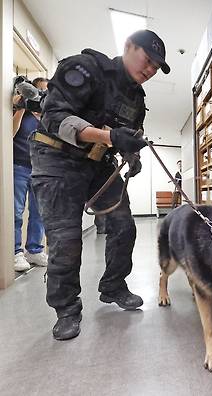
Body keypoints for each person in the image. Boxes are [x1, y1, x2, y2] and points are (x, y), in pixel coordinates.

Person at [30, 30, 170, 340]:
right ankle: (66, 309)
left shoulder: (136, 97)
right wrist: (108, 137)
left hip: (97, 163)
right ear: (128, 47)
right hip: (56, 159)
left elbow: (127, 135)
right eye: (147, 60)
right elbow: (54, 118)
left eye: (155, 67)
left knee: (124, 226)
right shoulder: (85, 67)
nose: (149, 70)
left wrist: (132, 156)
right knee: (66, 240)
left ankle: (113, 286)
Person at [12, 77, 49, 271]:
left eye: (46, 92)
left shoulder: (47, 116)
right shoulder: (22, 111)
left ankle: (34, 250)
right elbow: (9, 133)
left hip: (40, 169)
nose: (42, 95)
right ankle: (15, 252)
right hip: (18, 166)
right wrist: (21, 108)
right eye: (39, 90)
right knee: (16, 212)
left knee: (39, 213)